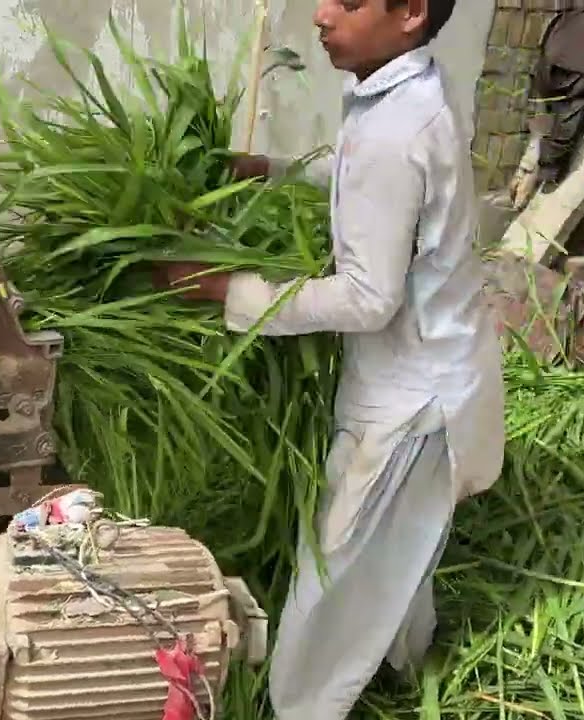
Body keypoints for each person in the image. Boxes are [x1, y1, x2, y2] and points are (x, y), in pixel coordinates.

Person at [154, 0, 505, 717]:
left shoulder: (400, 127)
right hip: (427, 373)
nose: (321, 14)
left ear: (409, 12)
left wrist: (224, 289)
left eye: (347, 2)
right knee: (396, 549)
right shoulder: (402, 95)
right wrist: (273, 170)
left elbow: (367, 299)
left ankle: (298, 706)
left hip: (412, 397)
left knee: (337, 567)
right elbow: (369, 194)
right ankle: (407, 671)